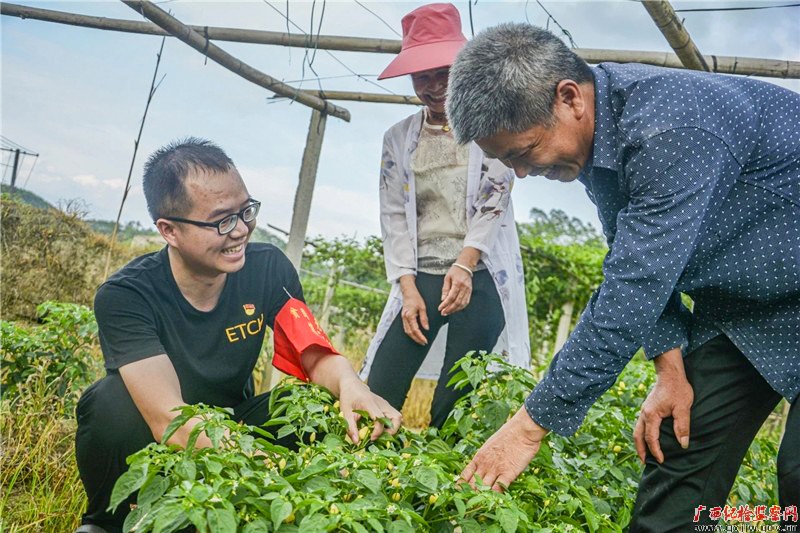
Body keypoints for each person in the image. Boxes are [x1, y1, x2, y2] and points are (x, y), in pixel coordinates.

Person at [445, 23, 799, 531]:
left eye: (523, 152)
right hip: (749, 308)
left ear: (569, 98)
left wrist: (528, 426)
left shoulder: (670, 127)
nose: (520, 173)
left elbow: (632, 289)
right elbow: (632, 255)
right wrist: (669, 371)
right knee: (682, 451)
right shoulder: (602, 136)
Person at [74, 138, 402, 533]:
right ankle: (109, 521)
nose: (242, 230)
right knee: (108, 401)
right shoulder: (127, 294)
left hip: (236, 418)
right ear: (169, 230)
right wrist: (254, 466)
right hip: (163, 429)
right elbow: (168, 417)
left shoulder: (267, 268)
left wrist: (351, 385)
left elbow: (312, 352)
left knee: (315, 400)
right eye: (221, 221)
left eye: (246, 211)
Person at [358, 3, 529, 429]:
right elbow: (394, 214)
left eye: (443, 73)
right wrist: (407, 287)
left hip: (480, 276)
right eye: (423, 76)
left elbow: (496, 196)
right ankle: (365, 473)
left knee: (455, 404)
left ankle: (440, 490)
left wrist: (465, 264)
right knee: (381, 387)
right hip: (422, 277)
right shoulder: (399, 138)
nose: (434, 86)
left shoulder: (491, 124)